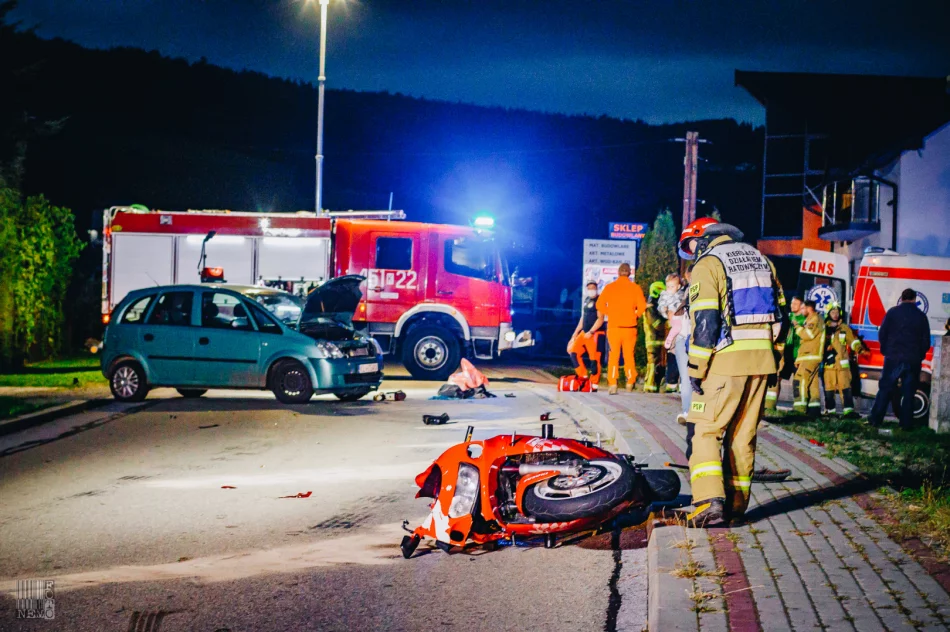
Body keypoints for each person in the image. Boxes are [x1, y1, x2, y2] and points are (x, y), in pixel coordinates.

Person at [679, 218, 785, 527]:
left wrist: (696, 368)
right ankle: (736, 507)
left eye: (690, 246)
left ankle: (709, 503)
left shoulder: (708, 265)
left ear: (701, 238)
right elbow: (781, 317)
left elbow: (706, 322)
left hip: (724, 364)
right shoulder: (762, 260)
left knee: (705, 430)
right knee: (742, 435)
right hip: (762, 362)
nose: (691, 253)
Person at [868, 288, 932, 429]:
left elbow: (882, 334)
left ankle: (875, 419)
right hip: (913, 359)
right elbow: (926, 341)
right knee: (909, 392)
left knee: (885, 388)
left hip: (893, 358)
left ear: (902, 298)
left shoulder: (892, 313)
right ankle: (906, 424)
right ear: (915, 299)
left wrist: (886, 350)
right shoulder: (921, 316)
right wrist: (919, 355)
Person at [590, 262, 647, 395]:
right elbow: (642, 307)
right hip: (630, 327)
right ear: (630, 273)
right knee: (629, 355)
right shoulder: (635, 288)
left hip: (614, 327)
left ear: (618, 273)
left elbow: (599, 304)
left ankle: (613, 383)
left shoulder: (610, 287)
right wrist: (635, 315)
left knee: (613, 355)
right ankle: (630, 381)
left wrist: (609, 312)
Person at [822, 302, 864, 417]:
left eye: (837, 312)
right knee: (829, 390)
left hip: (842, 366)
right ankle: (830, 412)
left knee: (846, 388)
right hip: (829, 365)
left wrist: (859, 348)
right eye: (832, 312)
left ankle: (848, 411)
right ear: (828, 314)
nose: (835, 315)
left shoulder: (844, 328)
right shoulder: (824, 329)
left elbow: (852, 341)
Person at [661, 274, 691, 425]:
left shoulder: (683, 295)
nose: (670, 289)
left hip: (682, 335)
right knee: (687, 375)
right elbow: (663, 308)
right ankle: (689, 410)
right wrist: (666, 312)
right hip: (683, 334)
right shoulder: (666, 296)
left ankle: (688, 411)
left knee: (686, 376)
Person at [765, 295, 804, 411]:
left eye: (795, 304)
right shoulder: (788, 316)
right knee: (778, 378)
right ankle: (770, 406)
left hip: (796, 354)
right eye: (792, 303)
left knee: (798, 381)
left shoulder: (803, 320)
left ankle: (800, 408)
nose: (792, 306)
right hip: (786, 352)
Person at [567, 281, 605, 386]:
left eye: (593, 287)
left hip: (595, 334)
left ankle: (593, 384)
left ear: (596, 288)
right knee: (573, 353)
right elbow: (583, 317)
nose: (591, 290)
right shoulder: (587, 300)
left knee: (594, 360)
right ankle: (583, 377)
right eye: (589, 288)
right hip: (584, 333)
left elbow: (600, 319)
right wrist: (575, 333)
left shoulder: (600, 300)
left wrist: (591, 331)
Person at [793, 300, 823, 418]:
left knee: (800, 380)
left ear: (809, 308)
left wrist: (797, 327)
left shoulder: (815, 320)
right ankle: (814, 409)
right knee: (812, 384)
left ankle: (800, 409)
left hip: (811, 356)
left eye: (803, 308)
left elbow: (808, 336)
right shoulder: (813, 319)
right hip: (810, 356)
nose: (801, 311)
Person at [642, 281, 668, 393]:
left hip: (657, 341)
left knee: (657, 366)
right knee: (652, 365)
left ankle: (652, 387)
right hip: (653, 341)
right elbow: (657, 324)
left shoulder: (653, 306)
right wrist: (669, 323)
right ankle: (650, 388)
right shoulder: (651, 308)